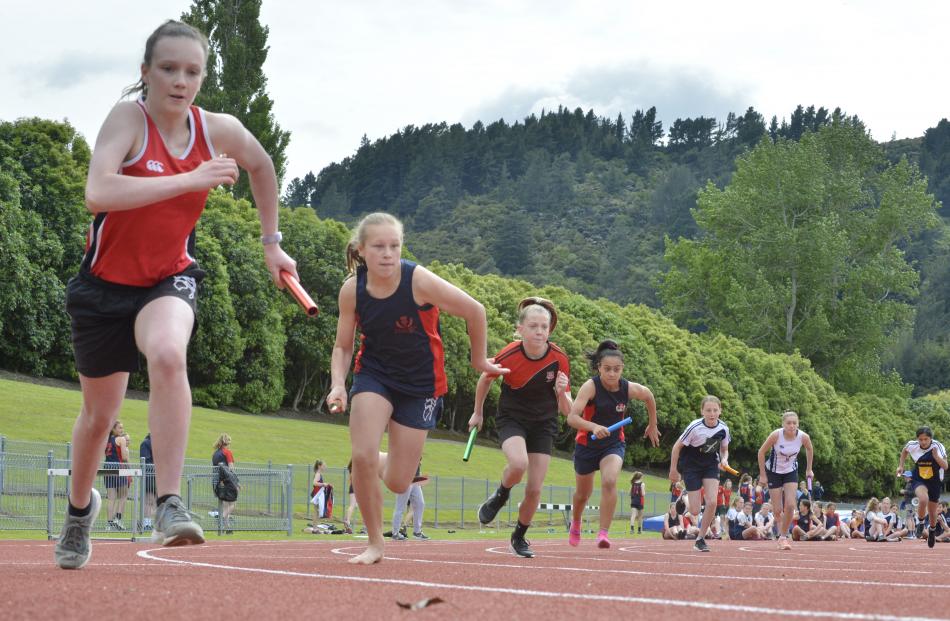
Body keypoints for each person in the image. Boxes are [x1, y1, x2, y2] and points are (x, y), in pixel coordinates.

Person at [53, 20, 297, 570]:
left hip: (170, 278)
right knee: (99, 416)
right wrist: (190, 181)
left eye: (192, 71)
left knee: (168, 353)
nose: (180, 81)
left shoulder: (219, 130)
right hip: (103, 290)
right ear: (145, 72)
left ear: (203, 77)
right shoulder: (129, 120)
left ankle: (168, 503)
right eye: (168, 69)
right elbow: (98, 191)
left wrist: (272, 243)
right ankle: (78, 512)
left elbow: (261, 165)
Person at [327, 212, 505, 565]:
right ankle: (375, 543)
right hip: (374, 374)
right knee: (360, 455)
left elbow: (475, 310)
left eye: (394, 246)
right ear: (362, 250)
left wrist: (478, 360)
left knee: (397, 482)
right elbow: (343, 346)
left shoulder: (418, 280)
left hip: (421, 385)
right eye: (378, 246)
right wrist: (338, 385)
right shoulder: (352, 290)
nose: (388, 253)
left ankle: (379, 462)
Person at [468, 296, 571, 559]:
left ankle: (519, 537)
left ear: (550, 330)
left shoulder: (559, 358)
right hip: (513, 417)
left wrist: (561, 393)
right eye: (533, 326)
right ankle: (501, 495)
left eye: (544, 327)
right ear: (520, 329)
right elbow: (485, 378)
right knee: (518, 463)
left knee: (535, 488)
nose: (539, 332)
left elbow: (568, 412)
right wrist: (477, 412)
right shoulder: (509, 354)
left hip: (544, 422)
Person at [565, 340, 659, 548]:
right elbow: (572, 418)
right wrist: (593, 427)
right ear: (599, 367)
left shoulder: (627, 388)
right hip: (586, 444)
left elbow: (649, 396)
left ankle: (603, 533)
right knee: (582, 494)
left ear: (622, 369)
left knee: (609, 480)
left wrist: (652, 424)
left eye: (616, 370)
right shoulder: (590, 387)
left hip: (613, 444)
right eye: (607, 369)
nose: (611, 374)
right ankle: (576, 523)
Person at [669, 396, 732, 552]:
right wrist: (673, 469)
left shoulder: (723, 428)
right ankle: (684, 496)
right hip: (692, 465)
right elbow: (676, 448)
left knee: (712, 502)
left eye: (715, 410)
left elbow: (724, 449)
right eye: (708, 410)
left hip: (711, 464)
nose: (712, 414)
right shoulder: (694, 426)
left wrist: (724, 460)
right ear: (702, 411)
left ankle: (700, 539)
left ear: (720, 411)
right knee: (695, 510)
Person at [757, 410, 815, 550]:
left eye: (794, 423)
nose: (792, 425)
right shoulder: (776, 435)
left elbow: (809, 449)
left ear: (798, 424)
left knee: (790, 505)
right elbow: (761, 452)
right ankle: (780, 532)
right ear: (783, 424)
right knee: (777, 510)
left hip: (790, 471)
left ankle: (783, 537)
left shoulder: (803, 437)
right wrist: (763, 475)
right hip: (774, 472)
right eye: (788, 423)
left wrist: (809, 469)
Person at [896, 426, 948, 548]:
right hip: (919, 478)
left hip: (935, 480)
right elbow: (904, 451)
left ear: (931, 438)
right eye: (921, 439)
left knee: (932, 511)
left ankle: (932, 531)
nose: (923, 442)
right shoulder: (912, 445)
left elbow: (945, 466)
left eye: (926, 439)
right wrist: (901, 466)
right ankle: (920, 523)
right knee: (923, 499)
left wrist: (936, 456)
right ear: (917, 439)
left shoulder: (938, 446)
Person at [104, 421, 131, 531]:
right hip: (119, 469)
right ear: (113, 429)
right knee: (123, 496)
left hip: (107, 468)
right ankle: (118, 519)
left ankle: (109, 524)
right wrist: (129, 469)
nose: (122, 430)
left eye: (122, 428)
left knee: (111, 498)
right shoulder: (121, 439)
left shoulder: (106, 440)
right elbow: (124, 457)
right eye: (120, 428)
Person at [391, 462, 428, 541]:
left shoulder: (417, 450)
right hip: (404, 479)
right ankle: (395, 533)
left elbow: (417, 465)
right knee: (400, 506)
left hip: (415, 479)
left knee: (420, 504)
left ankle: (417, 532)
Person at [212, 434, 237, 534]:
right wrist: (236, 482)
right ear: (227, 442)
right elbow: (231, 468)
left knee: (226, 505)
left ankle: (227, 528)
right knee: (233, 504)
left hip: (217, 481)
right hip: (227, 481)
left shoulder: (215, 454)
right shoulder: (227, 452)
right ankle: (220, 519)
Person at [139, 432, 156, 531]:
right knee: (149, 500)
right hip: (148, 475)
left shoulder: (156, 443)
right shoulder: (146, 443)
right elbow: (146, 460)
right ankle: (146, 523)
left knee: (153, 500)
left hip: (155, 475)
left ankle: (149, 522)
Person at [343, 459, 358, 534]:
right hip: (355, 487)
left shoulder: (352, 469)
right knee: (352, 505)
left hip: (353, 487)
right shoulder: (355, 470)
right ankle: (347, 520)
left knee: (354, 505)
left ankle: (346, 520)